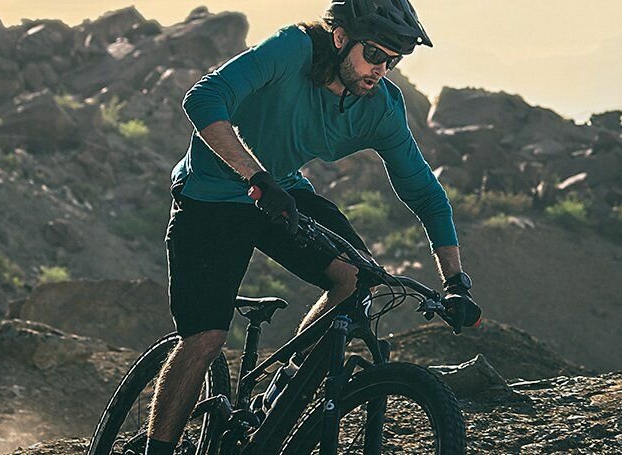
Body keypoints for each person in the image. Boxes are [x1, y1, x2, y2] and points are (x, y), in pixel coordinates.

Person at [142, 1, 481, 453]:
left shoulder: (379, 106)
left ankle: (282, 394)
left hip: (282, 191)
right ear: (340, 37)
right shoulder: (292, 49)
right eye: (374, 55)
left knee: (357, 277)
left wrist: (455, 282)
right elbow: (203, 98)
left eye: (393, 61)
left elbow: (425, 194)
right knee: (206, 337)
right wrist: (255, 176)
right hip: (211, 196)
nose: (381, 70)